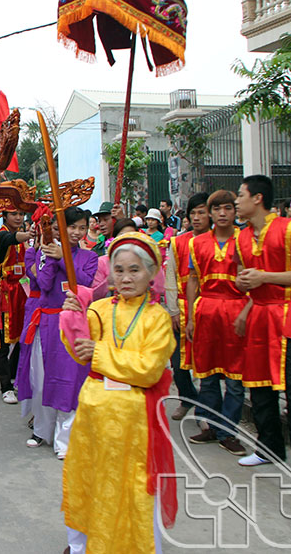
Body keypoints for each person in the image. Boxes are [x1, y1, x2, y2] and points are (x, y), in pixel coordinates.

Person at [60, 231, 177, 554]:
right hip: (93, 417)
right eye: (119, 270)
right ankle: (81, 545)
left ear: (151, 273)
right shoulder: (98, 309)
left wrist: (98, 354)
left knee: (132, 489)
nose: (126, 278)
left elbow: (149, 369)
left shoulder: (159, 319)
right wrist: (72, 315)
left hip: (134, 424)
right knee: (88, 481)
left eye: (135, 270)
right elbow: (79, 351)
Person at [234, 175, 291, 482]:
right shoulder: (241, 237)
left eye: (241, 195)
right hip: (258, 315)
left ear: (258, 198)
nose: (236, 201)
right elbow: (244, 277)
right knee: (258, 387)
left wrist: (265, 278)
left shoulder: (290, 229)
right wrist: (244, 289)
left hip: (287, 315)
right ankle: (268, 448)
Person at [19, 207, 97, 457]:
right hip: (48, 322)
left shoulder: (89, 257)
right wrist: (51, 258)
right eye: (71, 227)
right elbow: (43, 283)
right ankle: (42, 429)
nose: (76, 232)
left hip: (74, 324)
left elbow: (84, 282)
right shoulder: (44, 252)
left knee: (69, 380)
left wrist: (63, 257)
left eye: (81, 227)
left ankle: (66, 437)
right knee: (41, 379)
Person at [185, 190, 248, 455]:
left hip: (236, 312)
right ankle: (210, 426)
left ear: (235, 212)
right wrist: (189, 316)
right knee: (207, 375)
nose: (222, 214)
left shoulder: (245, 241)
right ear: (210, 213)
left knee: (235, 379)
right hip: (206, 312)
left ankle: (228, 432)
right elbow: (192, 280)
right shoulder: (197, 244)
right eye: (217, 209)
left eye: (228, 208)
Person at [164, 193, 208, 421]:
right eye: (193, 213)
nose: (197, 217)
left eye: (202, 212)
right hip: (181, 307)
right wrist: (172, 310)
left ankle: (205, 410)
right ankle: (187, 397)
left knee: (205, 362)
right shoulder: (179, 242)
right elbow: (170, 276)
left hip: (209, 309)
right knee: (178, 362)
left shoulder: (221, 240)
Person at [0, 209, 33, 404]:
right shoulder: (2, 236)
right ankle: (5, 386)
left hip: (18, 292)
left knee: (22, 336)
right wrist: (31, 234)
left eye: (21, 214)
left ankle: (14, 375)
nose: (18, 218)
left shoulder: (22, 241)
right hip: (2, 293)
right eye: (14, 214)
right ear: (5, 216)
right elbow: (12, 238)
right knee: (2, 341)